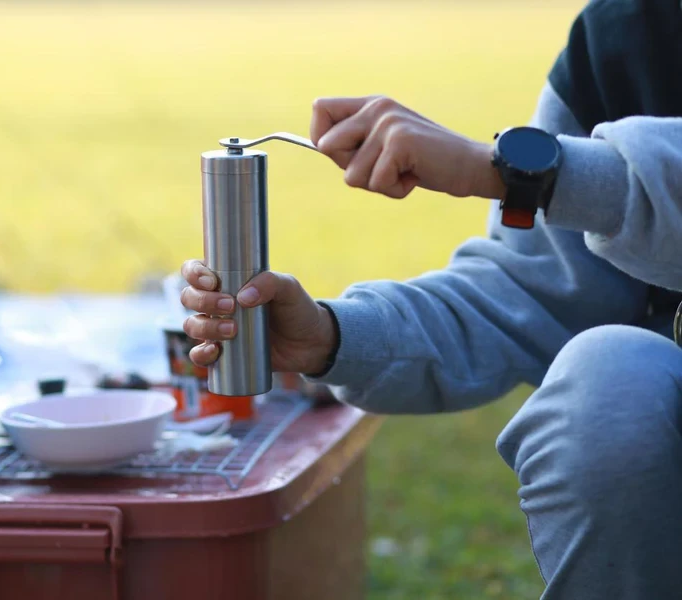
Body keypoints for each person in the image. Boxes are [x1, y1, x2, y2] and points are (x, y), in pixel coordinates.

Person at [178, 0, 682, 598]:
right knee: (609, 384)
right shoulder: (622, 36)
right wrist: (332, 335)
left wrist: (513, 172)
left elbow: (542, 191)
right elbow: (529, 293)